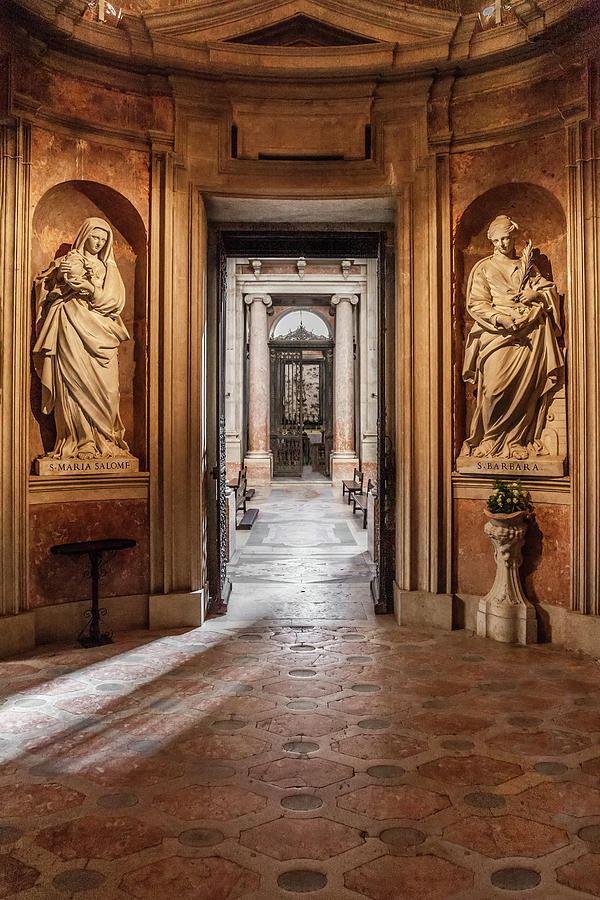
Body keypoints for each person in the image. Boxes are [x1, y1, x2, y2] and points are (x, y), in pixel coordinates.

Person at [461, 215, 564, 459]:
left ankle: (517, 440)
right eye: (497, 240)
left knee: (526, 389)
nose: (502, 244)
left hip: (529, 333)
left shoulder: (526, 266)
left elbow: (548, 291)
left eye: (506, 238)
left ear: (513, 237)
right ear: (491, 242)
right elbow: (476, 303)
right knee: (494, 389)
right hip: (497, 333)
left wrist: (534, 295)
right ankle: (489, 439)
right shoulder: (484, 268)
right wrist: (500, 318)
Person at [33, 217, 131, 460]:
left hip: (102, 333)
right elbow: (45, 291)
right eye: (94, 237)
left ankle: (104, 438)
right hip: (70, 326)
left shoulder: (109, 268)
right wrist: (57, 278)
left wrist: (90, 288)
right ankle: (76, 441)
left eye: (102, 239)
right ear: (84, 235)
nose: (97, 243)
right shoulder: (64, 263)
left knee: (108, 390)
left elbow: (116, 302)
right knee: (71, 385)